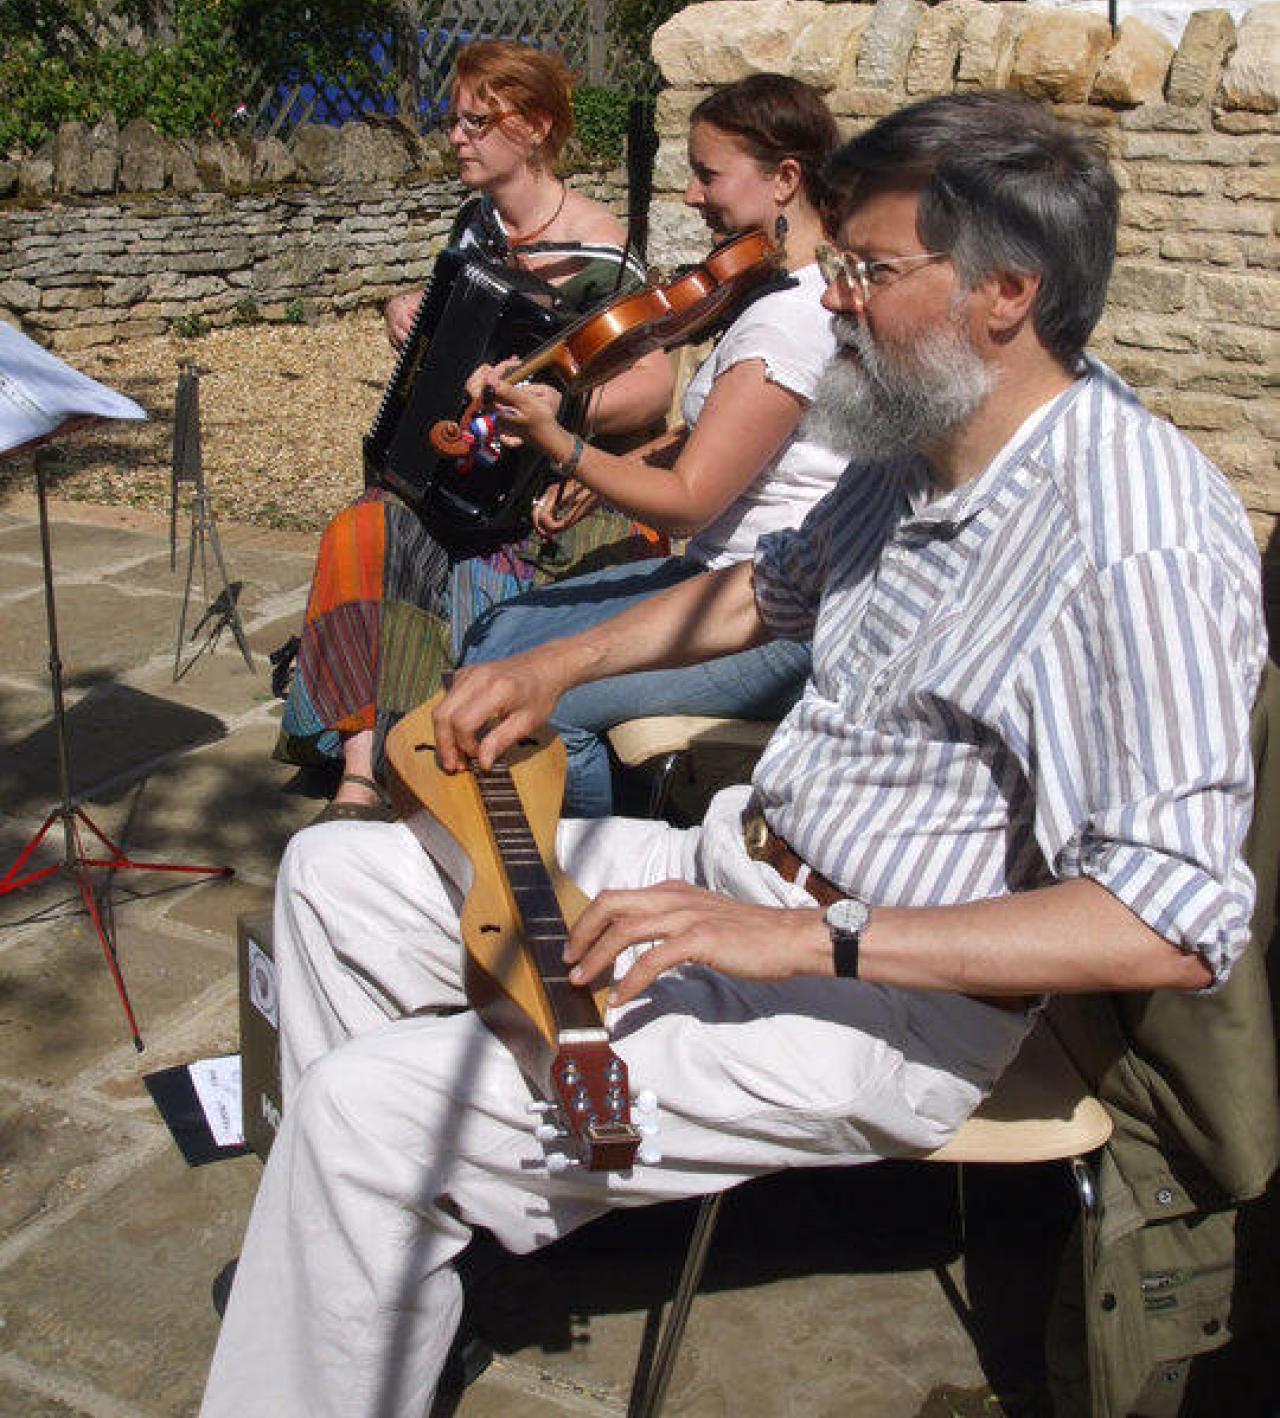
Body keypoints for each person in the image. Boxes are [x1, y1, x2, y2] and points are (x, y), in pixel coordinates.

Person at [200, 92, 1265, 1418]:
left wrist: (806, 939)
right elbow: (769, 588)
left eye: (867, 272)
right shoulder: (925, 432)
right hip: (736, 871)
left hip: (879, 1002)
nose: (831, 301)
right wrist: (552, 664)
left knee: (362, 1109)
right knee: (335, 879)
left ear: (1007, 293)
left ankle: (374, 1218)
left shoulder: (1136, 540)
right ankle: (382, 1276)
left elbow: (1168, 921)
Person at [278, 39, 673, 818]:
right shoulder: (475, 227)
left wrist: (556, 417)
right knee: (363, 528)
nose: (456, 137)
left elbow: (652, 388)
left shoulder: (603, 254)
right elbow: (453, 341)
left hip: (563, 488)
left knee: (474, 559)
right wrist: (407, 314)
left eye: (475, 123)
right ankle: (365, 769)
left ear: (534, 127)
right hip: (462, 477)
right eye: (453, 121)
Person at [456, 71, 847, 814]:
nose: (692, 195)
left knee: (540, 705)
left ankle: (610, 845)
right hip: (718, 578)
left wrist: (563, 445)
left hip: (777, 621)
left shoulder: (789, 323)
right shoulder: (773, 289)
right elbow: (711, 437)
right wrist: (620, 465)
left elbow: (688, 506)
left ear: (786, 179)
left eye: (708, 174)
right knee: (495, 636)